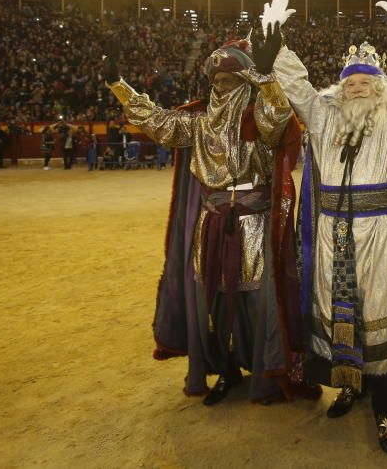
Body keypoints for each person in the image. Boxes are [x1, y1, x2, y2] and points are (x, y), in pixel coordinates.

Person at [259, 0, 387, 456]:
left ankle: (384, 405)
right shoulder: (324, 117)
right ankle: (350, 386)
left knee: (379, 319)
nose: (357, 88)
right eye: (350, 83)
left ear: (379, 89)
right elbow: (298, 88)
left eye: (365, 82)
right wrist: (277, 44)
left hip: (382, 236)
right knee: (344, 320)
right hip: (333, 236)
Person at [104, 34, 316, 406]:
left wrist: (267, 76)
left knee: (259, 302)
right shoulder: (198, 120)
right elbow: (158, 122)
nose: (221, 86)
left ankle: (264, 372)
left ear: (245, 81)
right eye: (216, 81)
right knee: (213, 301)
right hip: (212, 221)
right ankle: (227, 370)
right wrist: (118, 85)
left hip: (255, 222)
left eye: (230, 80)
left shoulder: (258, 111)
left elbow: (279, 122)